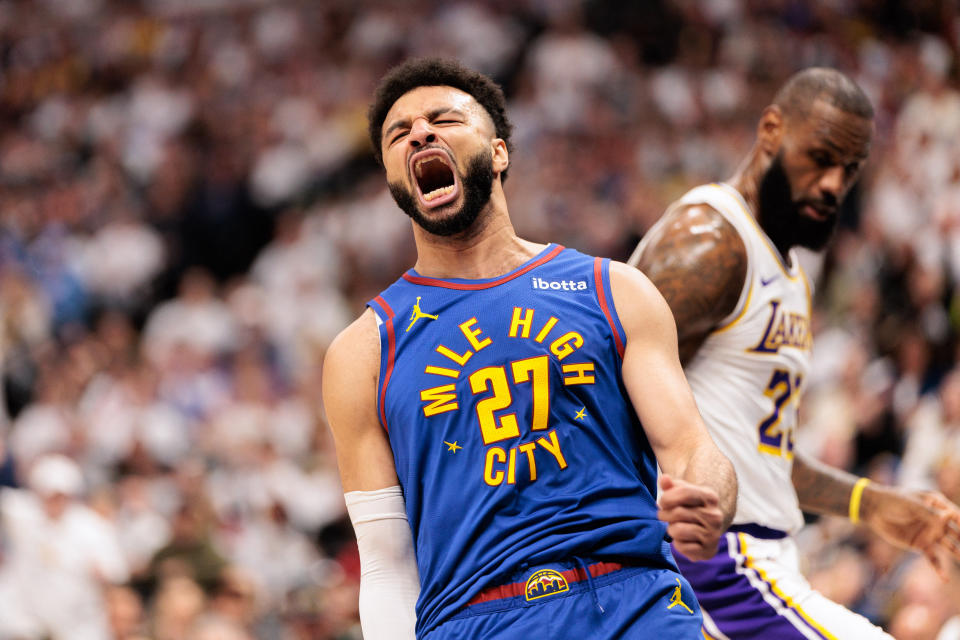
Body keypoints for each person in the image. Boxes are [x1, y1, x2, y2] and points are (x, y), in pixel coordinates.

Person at [322, 57, 738, 640]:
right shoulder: (364, 350)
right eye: (399, 133)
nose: (420, 133)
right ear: (394, 180)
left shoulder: (611, 288)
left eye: (443, 119)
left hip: (633, 601)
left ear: (498, 152)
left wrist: (709, 498)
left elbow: (692, 448)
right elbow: (387, 566)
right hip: (476, 622)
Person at [628, 67, 960, 640]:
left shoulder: (788, 271)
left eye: (849, 170)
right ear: (772, 131)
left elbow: (764, 456)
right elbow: (594, 386)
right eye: (821, 157)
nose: (834, 183)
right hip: (714, 566)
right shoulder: (710, 242)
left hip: (765, 558)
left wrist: (871, 504)